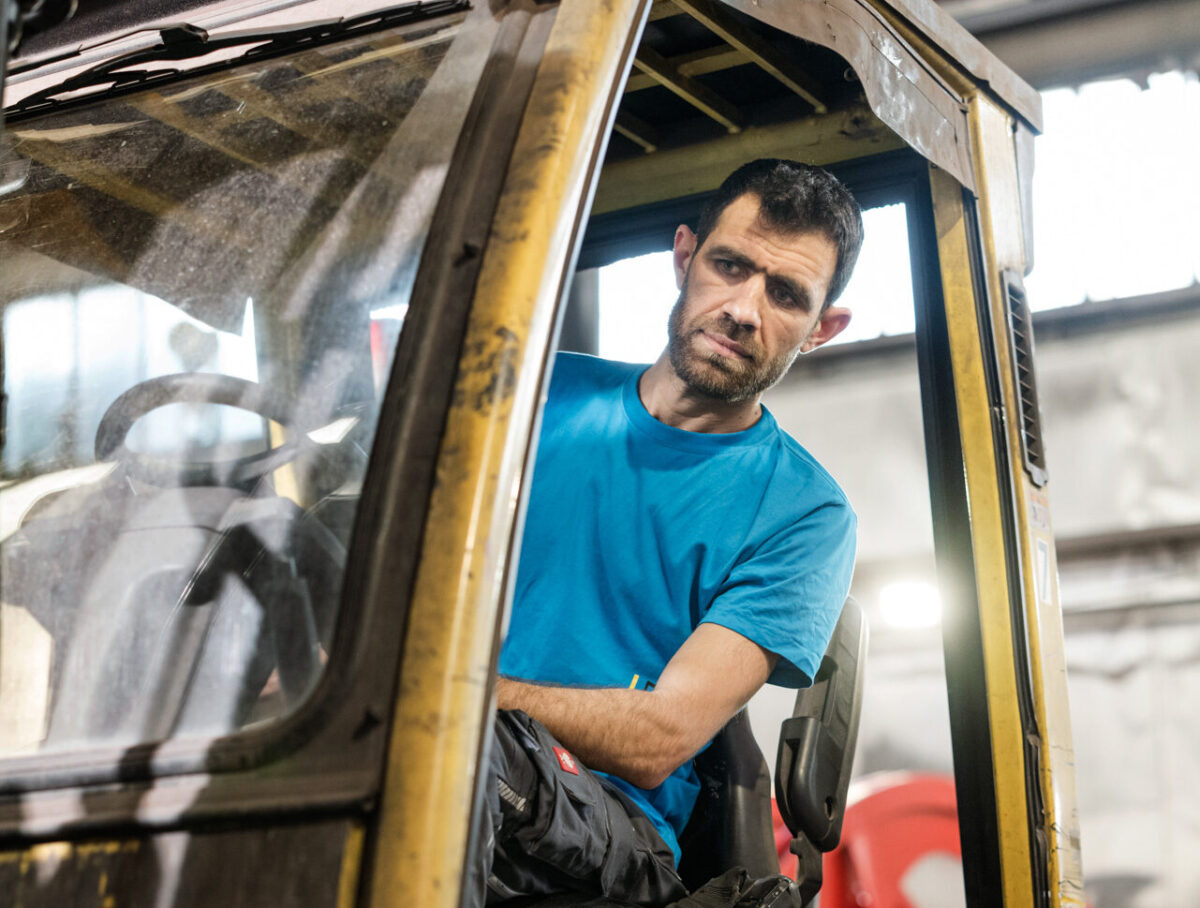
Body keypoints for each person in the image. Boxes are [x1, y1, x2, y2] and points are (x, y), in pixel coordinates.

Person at [470, 159, 862, 907]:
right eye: (730, 266)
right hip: (449, 747)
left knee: (454, 758)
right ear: (685, 258)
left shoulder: (805, 513)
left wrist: (464, 698)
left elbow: (660, 739)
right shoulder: (528, 396)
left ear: (823, 329)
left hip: (608, 825)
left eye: (785, 295)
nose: (744, 309)